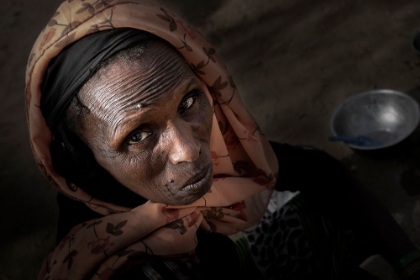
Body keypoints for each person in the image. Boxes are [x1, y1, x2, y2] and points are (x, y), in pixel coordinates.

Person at [25, 0, 420, 279]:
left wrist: (406, 259)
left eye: (189, 101)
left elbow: (317, 169)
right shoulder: (139, 269)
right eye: (138, 135)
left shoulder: (211, 156)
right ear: (82, 159)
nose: (189, 150)